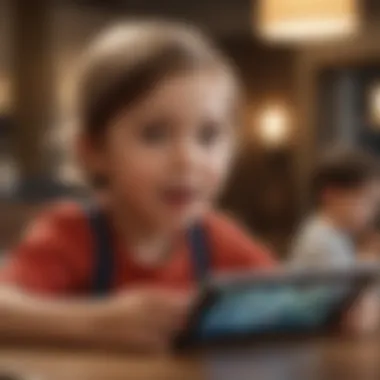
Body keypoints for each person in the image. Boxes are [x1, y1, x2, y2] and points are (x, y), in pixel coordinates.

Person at [0, 21, 275, 351]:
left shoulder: (216, 238)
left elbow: (293, 298)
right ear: (94, 151)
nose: (187, 159)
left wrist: (345, 312)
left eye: (208, 136)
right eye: (155, 134)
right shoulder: (72, 235)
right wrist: (97, 322)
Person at [290, 148, 379, 268]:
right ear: (331, 196)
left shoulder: (334, 235)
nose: (372, 211)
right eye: (367, 200)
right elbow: (345, 281)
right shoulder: (321, 242)